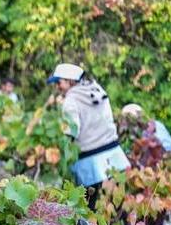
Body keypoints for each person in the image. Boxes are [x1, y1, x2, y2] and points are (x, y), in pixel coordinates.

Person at [48, 63, 130, 209]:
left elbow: (71, 131)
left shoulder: (71, 100)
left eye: (59, 82)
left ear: (70, 81)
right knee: (116, 209)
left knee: (89, 211)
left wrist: (57, 148)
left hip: (91, 164)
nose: (57, 87)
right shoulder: (98, 90)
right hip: (115, 156)